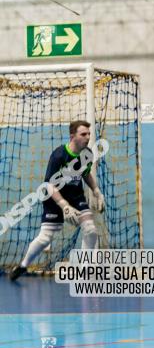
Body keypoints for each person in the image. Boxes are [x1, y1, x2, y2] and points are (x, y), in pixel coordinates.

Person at [9, 120, 105, 281]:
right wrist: (64, 205)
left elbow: (86, 173)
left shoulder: (87, 153)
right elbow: (49, 185)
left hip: (75, 196)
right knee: (45, 237)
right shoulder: (59, 155)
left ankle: (85, 270)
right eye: (83, 134)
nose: (88, 137)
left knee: (91, 230)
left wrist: (96, 191)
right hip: (54, 198)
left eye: (89, 134)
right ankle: (23, 266)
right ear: (72, 136)